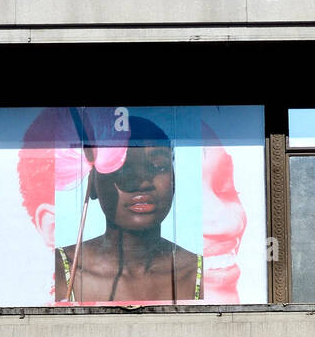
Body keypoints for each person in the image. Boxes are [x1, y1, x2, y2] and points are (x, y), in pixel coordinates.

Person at [55, 117, 204, 305]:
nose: (143, 182)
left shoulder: (205, 275)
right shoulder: (58, 270)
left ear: (174, 180)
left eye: (158, 166)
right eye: (122, 168)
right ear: (92, 185)